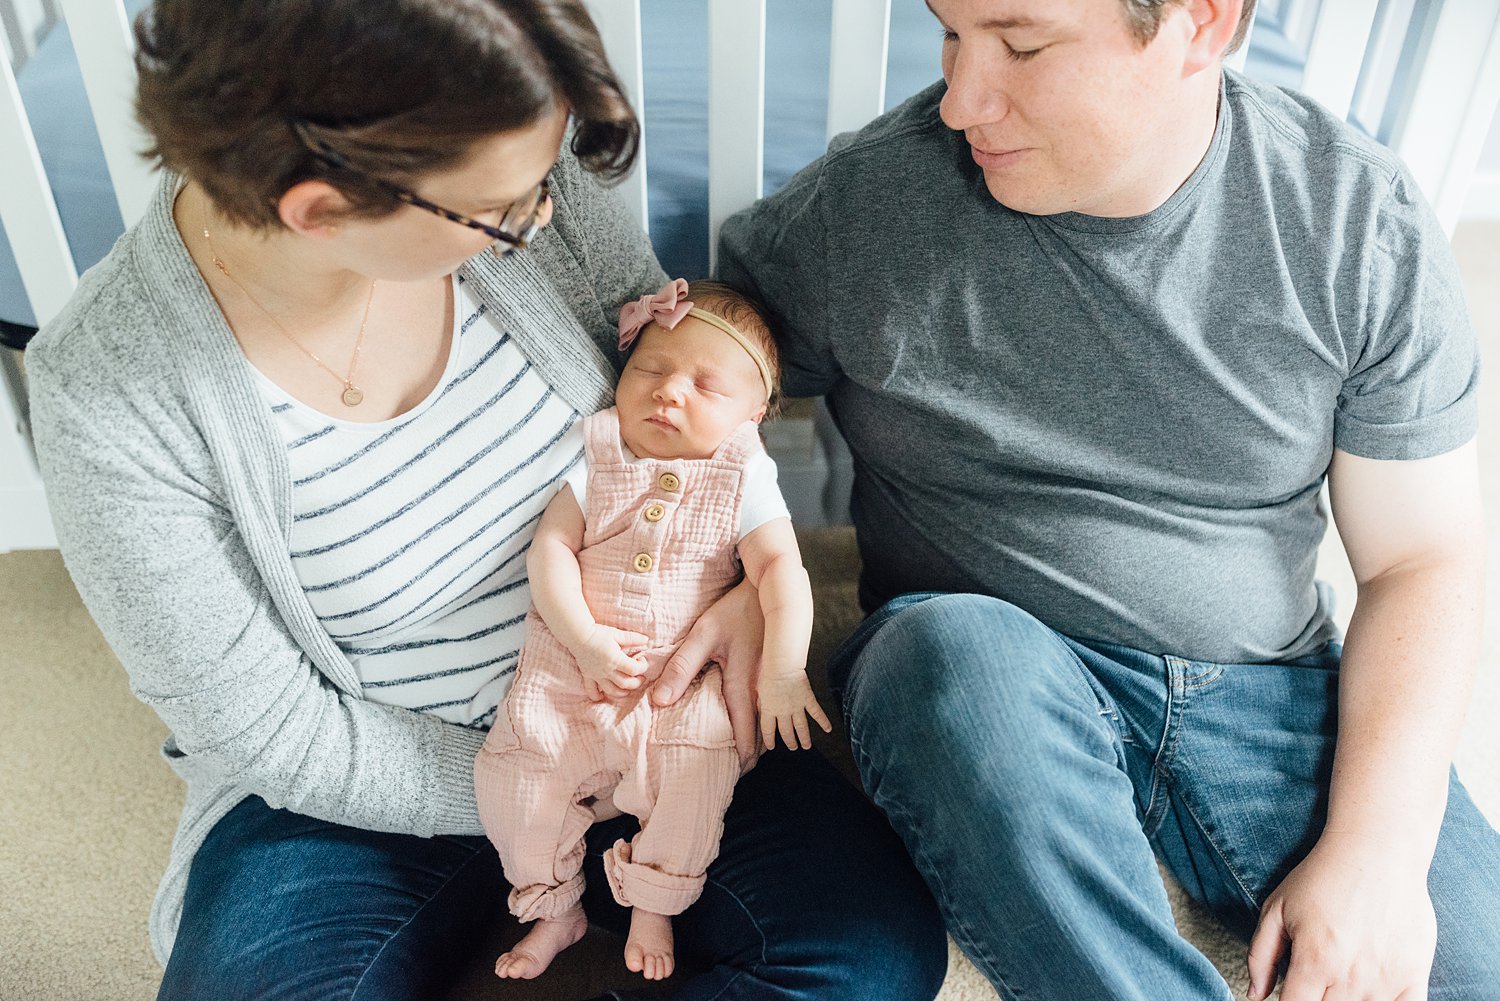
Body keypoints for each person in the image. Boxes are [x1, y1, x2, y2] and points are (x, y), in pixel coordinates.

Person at [24, 2, 946, 1000]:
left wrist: (739, 598)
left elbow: (697, 407)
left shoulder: (523, 186)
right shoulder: (109, 393)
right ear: (319, 209)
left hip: (662, 703)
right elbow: (277, 736)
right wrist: (540, 775)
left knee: (866, 953)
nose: (540, 217)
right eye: (502, 209)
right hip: (369, 779)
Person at [718, 1, 1499, 1000]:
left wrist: (1377, 857)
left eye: (1023, 44)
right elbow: (694, 369)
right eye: (950, 34)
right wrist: (735, 558)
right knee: (942, 659)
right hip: (984, 665)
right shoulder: (867, 208)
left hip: (1262, 687)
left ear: (1202, 24)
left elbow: (1421, 557)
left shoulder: (1354, 221)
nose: (960, 99)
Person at [475, 278, 832, 984]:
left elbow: (779, 571)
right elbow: (549, 550)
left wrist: (784, 671)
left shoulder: (744, 472)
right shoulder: (600, 450)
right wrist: (581, 638)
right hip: (573, 672)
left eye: (706, 386)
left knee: (699, 773)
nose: (670, 393)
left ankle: (654, 899)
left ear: (753, 415)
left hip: (681, 684)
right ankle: (555, 905)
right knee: (516, 772)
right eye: (650, 371)